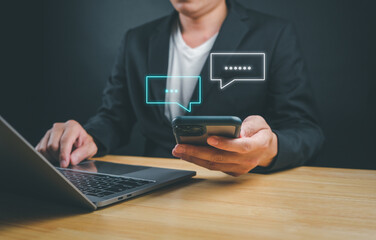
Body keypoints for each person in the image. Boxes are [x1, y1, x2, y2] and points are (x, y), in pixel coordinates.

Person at [36, 0, 324, 176]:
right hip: (155, 187)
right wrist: (87, 137)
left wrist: (268, 149)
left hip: (239, 190)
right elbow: (114, 117)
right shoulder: (137, 40)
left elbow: (304, 128)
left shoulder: (273, 34)